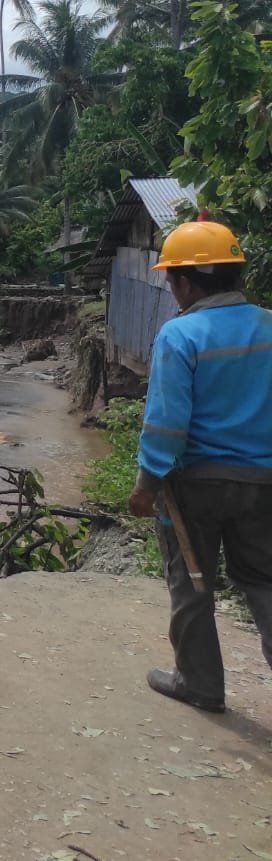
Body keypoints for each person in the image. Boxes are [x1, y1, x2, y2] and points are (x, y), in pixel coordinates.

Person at [128, 216, 272, 713]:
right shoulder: (271, 326)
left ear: (186, 282)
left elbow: (167, 422)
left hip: (196, 485)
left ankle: (201, 685)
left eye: (171, 280)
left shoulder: (181, 335)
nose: (172, 290)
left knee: (192, 582)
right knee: (263, 581)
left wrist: (146, 485)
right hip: (264, 482)